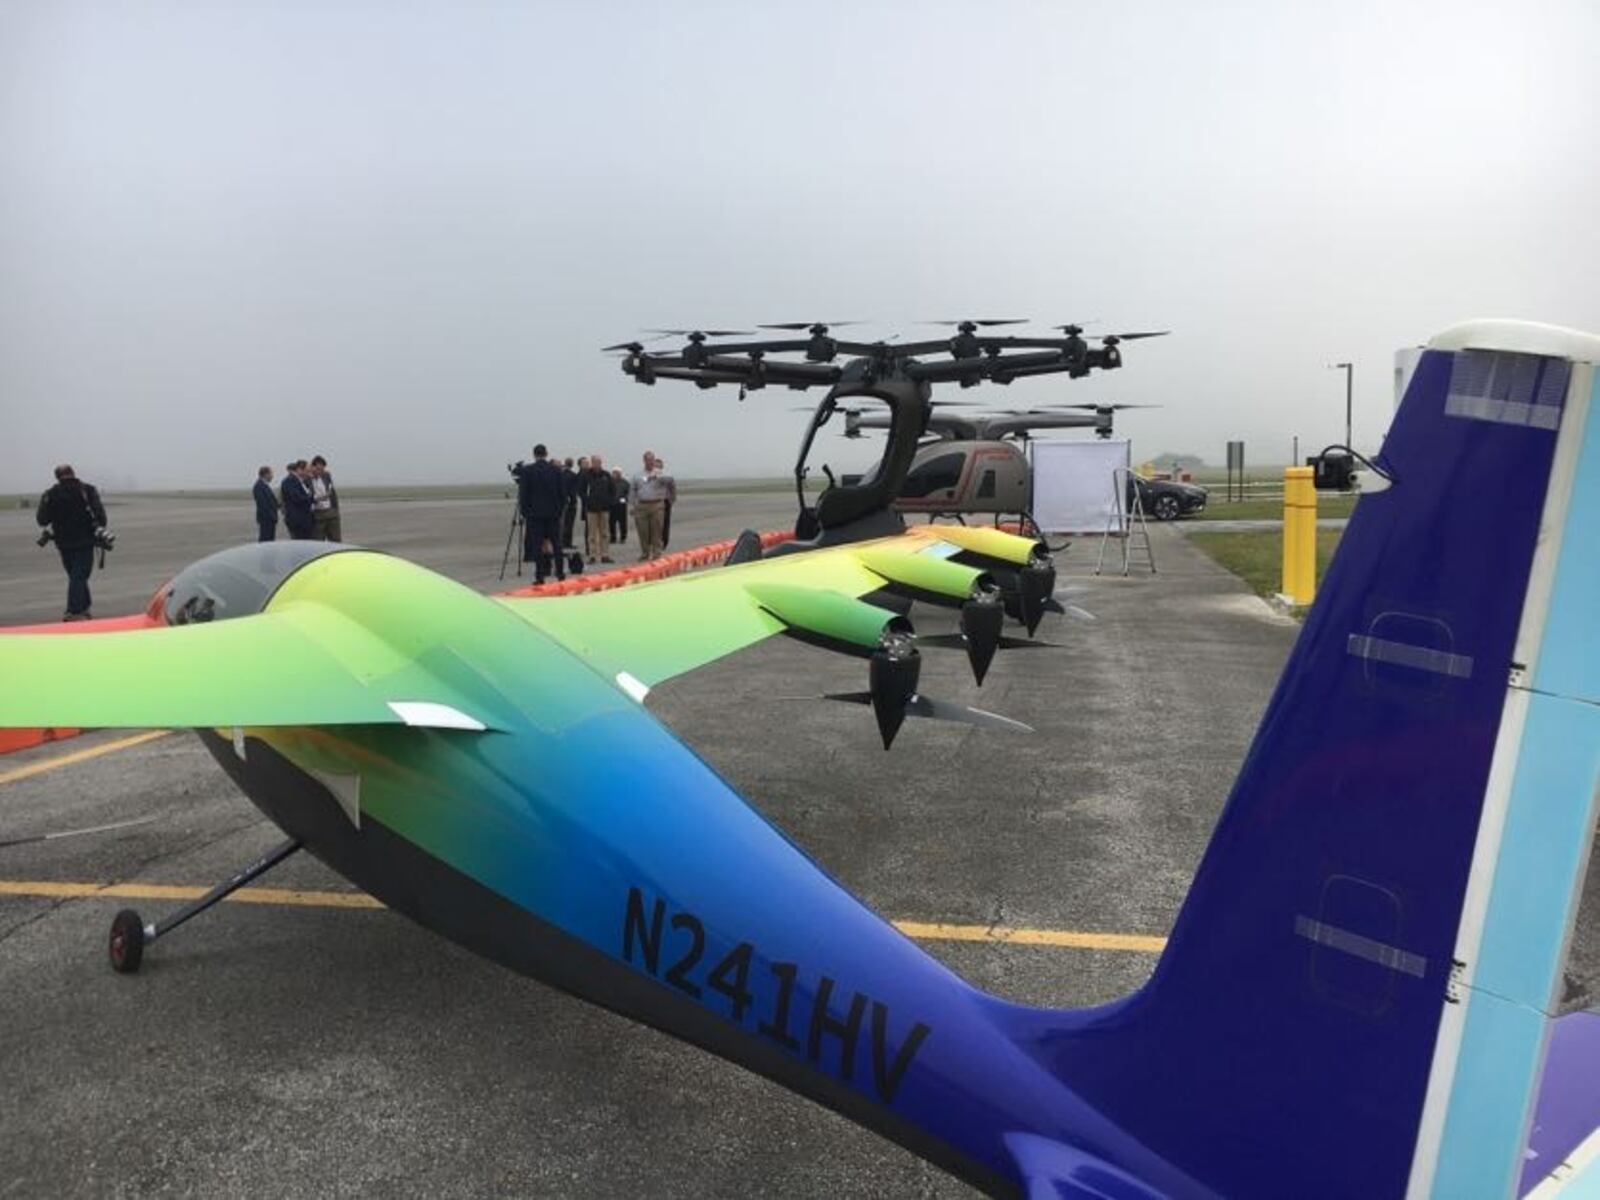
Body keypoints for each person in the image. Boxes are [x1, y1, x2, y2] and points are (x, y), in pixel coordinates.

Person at [35, 464, 108, 621]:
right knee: (79, 577)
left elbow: (42, 520)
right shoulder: (88, 490)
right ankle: (74, 611)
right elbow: (101, 517)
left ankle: (84, 607)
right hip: (85, 542)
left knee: (77, 577)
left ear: (57, 476)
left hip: (63, 544)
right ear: (73, 473)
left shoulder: (50, 494)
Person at [516, 444, 568, 583]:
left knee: (537, 546)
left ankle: (540, 576)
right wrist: (559, 510)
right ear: (546, 454)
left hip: (535, 516)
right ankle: (560, 573)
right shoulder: (556, 471)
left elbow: (524, 495)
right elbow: (563, 494)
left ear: (534, 455)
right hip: (553, 514)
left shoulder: (528, 471)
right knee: (556, 545)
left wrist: (525, 513)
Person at [632, 450, 675, 562]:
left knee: (657, 530)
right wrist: (632, 505)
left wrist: (658, 477)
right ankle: (645, 553)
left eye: (651, 460)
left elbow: (671, 482)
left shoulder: (660, 473)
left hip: (656, 504)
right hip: (642, 505)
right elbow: (633, 490)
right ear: (644, 461)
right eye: (647, 460)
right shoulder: (637, 475)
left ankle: (657, 553)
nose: (649, 462)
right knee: (643, 531)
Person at [580, 454, 616, 564]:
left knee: (605, 533)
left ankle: (605, 555)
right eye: (595, 462)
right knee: (592, 534)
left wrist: (609, 502)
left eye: (599, 462)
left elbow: (612, 490)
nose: (597, 464)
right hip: (591, 509)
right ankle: (592, 555)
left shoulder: (606, 475)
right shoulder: (586, 475)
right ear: (592, 463)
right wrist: (588, 501)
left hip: (604, 508)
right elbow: (581, 491)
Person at [309, 455, 342, 541]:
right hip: (317, 515)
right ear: (312, 467)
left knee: (336, 540)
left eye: (322, 468)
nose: (320, 471)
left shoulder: (326, 475)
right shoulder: (307, 479)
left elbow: (332, 493)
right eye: (318, 468)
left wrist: (336, 510)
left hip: (331, 513)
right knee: (318, 541)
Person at [280, 460, 315, 540]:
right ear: (299, 469)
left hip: (306, 520)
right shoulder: (289, 481)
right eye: (307, 471)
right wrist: (310, 498)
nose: (308, 473)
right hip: (298, 521)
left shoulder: (303, 481)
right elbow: (297, 498)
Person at [253, 466, 279, 542]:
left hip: (270, 519)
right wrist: (271, 516)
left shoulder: (265, 485)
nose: (272, 476)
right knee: (265, 540)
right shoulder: (259, 486)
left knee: (270, 540)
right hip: (266, 519)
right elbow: (263, 504)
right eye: (271, 474)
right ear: (266, 474)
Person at [560, 456, 581, 549]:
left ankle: (562, 542)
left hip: (561, 501)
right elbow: (574, 491)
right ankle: (567, 542)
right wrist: (573, 500)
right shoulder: (573, 475)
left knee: (562, 523)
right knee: (569, 523)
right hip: (571, 502)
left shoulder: (560, 474)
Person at [657, 456, 676, 548]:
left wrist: (671, 500)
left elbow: (673, 489)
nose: (657, 467)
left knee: (665, 522)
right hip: (655, 501)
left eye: (659, 465)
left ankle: (664, 541)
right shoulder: (650, 476)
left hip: (665, 501)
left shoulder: (667, 476)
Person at [608, 467, 629, 544]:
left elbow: (628, 494)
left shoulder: (625, 483)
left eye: (617, 473)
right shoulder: (609, 482)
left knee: (622, 522)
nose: (615, 474)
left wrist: (623, 500)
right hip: (612, 505)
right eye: (614, 473)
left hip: (621, 505)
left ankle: (623, 537)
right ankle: (612, 537)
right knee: (611, 522)